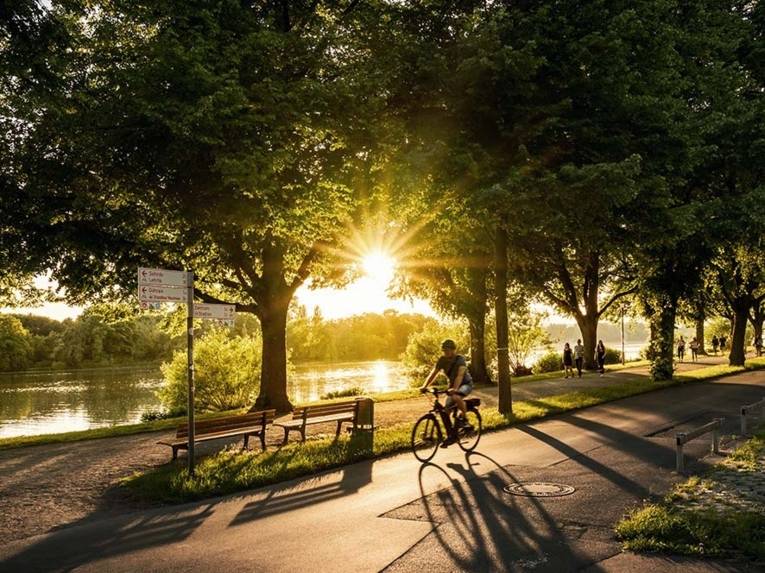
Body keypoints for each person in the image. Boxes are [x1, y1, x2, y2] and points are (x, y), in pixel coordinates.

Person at [420, 338, 473, 446]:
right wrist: (425, 386)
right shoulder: (442, 360)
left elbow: (460, 375)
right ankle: (451, 436)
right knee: (445, 412)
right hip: (452, 387)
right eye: (444, 350)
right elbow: (434, 373)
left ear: (454, 350)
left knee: (456, 397)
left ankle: (465, 419)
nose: (446, 352)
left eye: (448, 350)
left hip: (465, 384)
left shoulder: (460, 360)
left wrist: (455, 389)